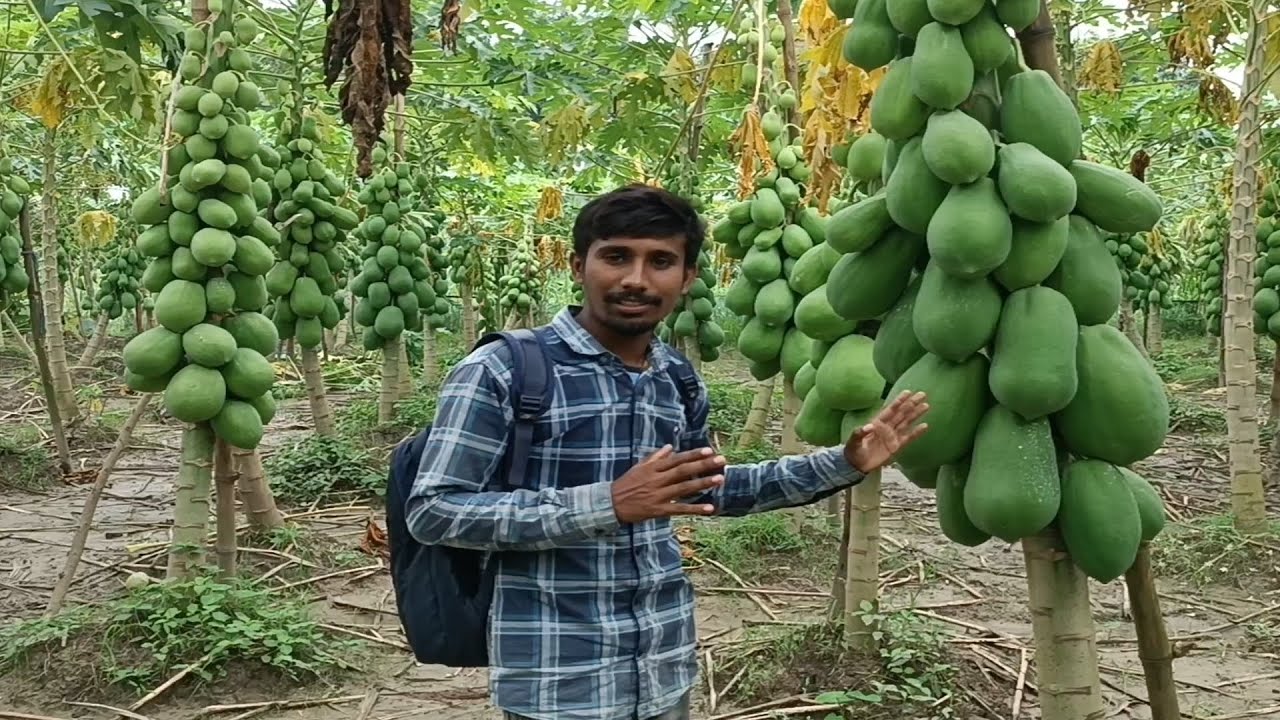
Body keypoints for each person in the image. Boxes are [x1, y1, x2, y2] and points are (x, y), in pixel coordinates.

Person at [405, 184, 929, 720]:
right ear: (577, 264)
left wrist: (844, 463)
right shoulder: (503, 370)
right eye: (616, 257)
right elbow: (433, 510)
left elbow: (703, 489)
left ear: (688, 278)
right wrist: (607, 502)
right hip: (558, 681)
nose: (636, 278)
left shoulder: (676, 378)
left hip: (664, 671)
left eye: (660, 261)